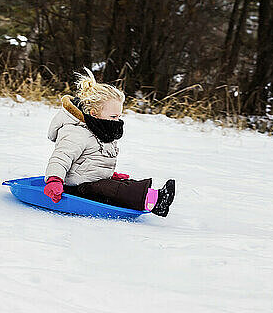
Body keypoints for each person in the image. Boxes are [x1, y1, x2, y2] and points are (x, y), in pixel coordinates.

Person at [43, 67, 175, 217]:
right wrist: (54, 180)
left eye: (118, 117)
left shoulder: (102, 130)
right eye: (113, 117)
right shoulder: (77, 132)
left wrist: (110, 174)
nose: (117, 121)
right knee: (113, 190)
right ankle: (154, 202)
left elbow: (93, 161)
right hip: (75, 187)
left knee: (122, 184)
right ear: (94, 114)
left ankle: (155, 196)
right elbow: (60, 158)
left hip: (94, 182)